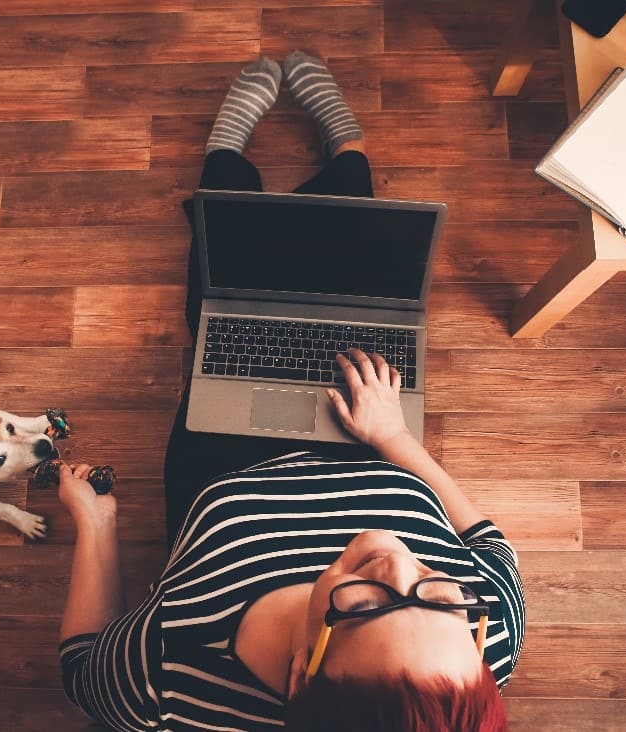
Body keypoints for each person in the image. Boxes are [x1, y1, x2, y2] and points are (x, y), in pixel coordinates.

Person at [57, 52, 525, 731]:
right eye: (442, 600)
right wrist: (393, 437)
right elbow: (489, 543)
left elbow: (80, 665)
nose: (394, 556)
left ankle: (225, 159)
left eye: (365, 607)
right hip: (366, 439)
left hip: (220, 473)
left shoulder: (169, 682)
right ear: (477, 647)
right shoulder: (485, 643)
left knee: (224, 306)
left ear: (302, 668)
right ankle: (345, 148)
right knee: (351, 285)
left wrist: (95, 525)